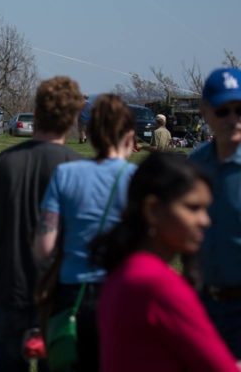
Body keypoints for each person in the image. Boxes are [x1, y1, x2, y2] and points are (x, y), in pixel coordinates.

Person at [0, 76, 84, 371]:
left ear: (37, 111)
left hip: (10, 290)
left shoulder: (3, 163)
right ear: (72, 118)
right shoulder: (78, 168)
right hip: (60, 295)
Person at [92, 153, 236, 371]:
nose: (205, 221)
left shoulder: (125, 271)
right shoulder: (158, 285)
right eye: (193, 208)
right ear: (153, 210)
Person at [33, 94, 137, 371]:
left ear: (88, 133)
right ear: (129, 135)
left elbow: (44, 246)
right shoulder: (136, 179)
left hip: (71, 295)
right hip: (121, 296)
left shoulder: (66, 174)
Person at [189, 66, 241, 357]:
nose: (233, 120)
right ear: (206, 111)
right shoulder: (195, 165)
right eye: (224, 111)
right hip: (204, 303)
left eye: (240, 110)